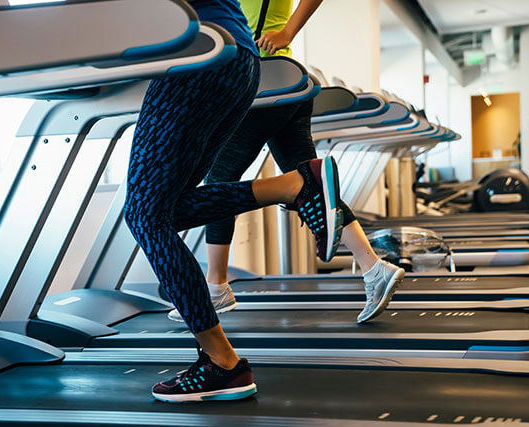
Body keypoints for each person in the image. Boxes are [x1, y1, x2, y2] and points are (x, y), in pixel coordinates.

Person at [125, 0, 359, 403]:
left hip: (196, 57)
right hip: (236, 60)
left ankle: (222, 363)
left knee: (145, 216)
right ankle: (292, 187)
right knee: (161, 211)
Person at [167, 0, 405, 327]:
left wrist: (288, 31)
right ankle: (374, 268)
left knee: (218, 180)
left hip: (261, 79)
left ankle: (216, 286)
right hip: (286, 82)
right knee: (312, 185)